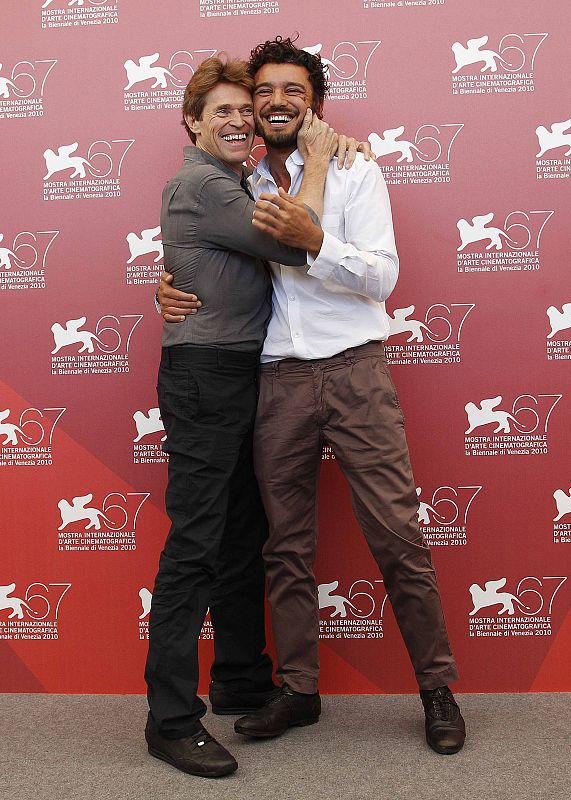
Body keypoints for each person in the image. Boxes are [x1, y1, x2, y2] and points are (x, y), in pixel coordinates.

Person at [159, 37, 466, 757]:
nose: (273, 103)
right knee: (285, 549)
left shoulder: (355, 168)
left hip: (355, 370)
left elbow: (383, 277)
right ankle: (298, 690)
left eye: (291, 91)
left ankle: (438, 690)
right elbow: (210, 252)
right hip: (276, 380)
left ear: (315, 102)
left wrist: (317, 242)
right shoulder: (241, 181)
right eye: (263, 92)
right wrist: (171, 289)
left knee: (398, 537)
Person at [145, 55, 342, 779]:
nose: (236, 121)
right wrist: (319, 159)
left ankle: (238, 677)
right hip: (206, 377)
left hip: (236, 372)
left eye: (242, 110)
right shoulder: (201, 183)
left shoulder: (234, 185)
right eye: (219, 111)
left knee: (240, 534)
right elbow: (298, 239)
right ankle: (168, 718)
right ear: (192, 122)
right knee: (198, 540)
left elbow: (209, 266)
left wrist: (170, 282)